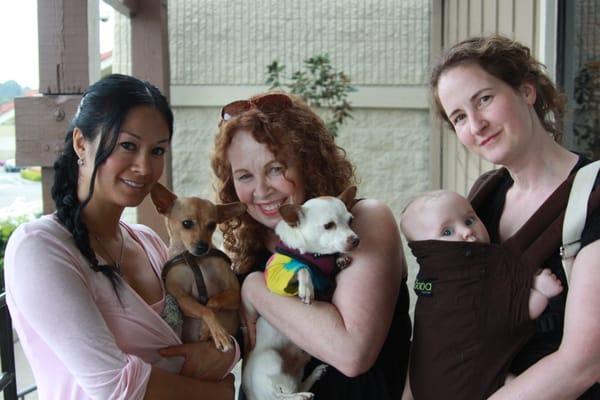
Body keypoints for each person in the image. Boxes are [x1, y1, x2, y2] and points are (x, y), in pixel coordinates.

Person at [4, 74, 237, 400]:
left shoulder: (150, 243)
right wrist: (219, 394)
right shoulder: (40, 248)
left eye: (157, 150)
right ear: (81, 143)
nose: (144, 167)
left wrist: (227, 352)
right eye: (128, 145)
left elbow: (223, 336)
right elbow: (116, 388)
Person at [430, 35, 600, 399]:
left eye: (484, 100)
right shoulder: (481, 201)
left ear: (526, 91)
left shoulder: (593, 196)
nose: (476, 125)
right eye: (459, 116)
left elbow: (583, 364)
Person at [211, 92, 411, 399]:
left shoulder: (364, 220)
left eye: (275, 169)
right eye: (244, 176)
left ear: (308, 162)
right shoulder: (251, 250)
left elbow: (351, 353)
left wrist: (254, 289)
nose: (261, 190)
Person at [401, 189, 563, 320]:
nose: (467, 231)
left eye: (469, 221)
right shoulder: (456, 281)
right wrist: (538, 289)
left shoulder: (429, 281)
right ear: (425, 249)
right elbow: (509, 313)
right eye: (447, 231)